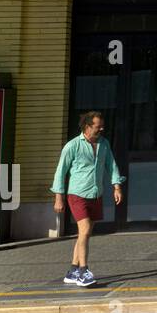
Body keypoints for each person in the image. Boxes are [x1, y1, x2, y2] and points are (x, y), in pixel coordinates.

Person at [50, 111, 124, 287]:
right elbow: (60, 172)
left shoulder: (104, 144)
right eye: (98, 127)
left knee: (85, 234)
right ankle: (84, 272)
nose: (101, 129)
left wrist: (117, 186)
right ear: (87, 126)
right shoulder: (72, 146)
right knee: (84, 231)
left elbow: (111, 165)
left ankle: (72, 270)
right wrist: (58, 198)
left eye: (102, 126)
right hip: (77, 194)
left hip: (96, 194)